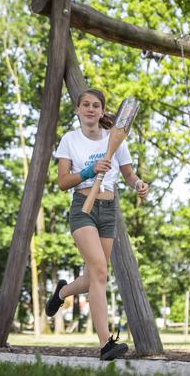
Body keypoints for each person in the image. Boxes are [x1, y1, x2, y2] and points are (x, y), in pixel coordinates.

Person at [47, 89, 148, 361]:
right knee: (101, 270)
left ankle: (63, 291)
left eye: (96, 105)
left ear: (102, 111)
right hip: (83, 208)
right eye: (85, 105)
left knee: (96, 276)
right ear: (78, 110)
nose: (90, 109)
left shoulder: (116, 139)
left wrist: (138, 184)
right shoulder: (70, 140)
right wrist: (91, 171)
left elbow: (128, 174)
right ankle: (106, 344)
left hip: (109, 209)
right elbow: (63, 182)